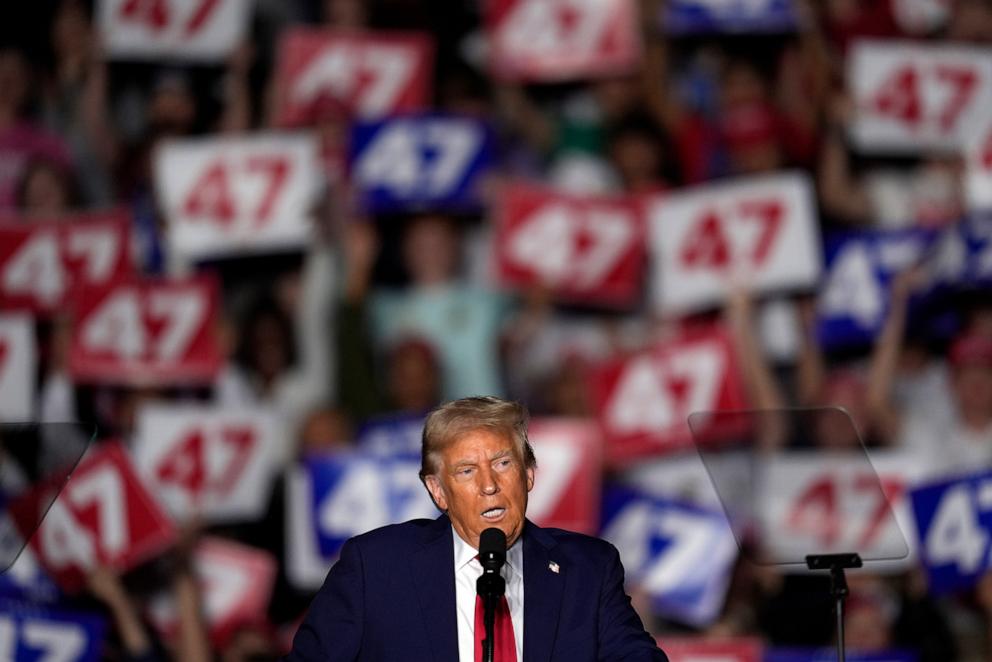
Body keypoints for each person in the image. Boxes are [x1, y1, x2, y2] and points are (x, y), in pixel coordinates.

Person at [285, 396, 667, 661]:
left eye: (502, 464)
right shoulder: (376, 567)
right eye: (466, 471)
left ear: (529, 474)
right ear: (438, 490)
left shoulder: (589, 569)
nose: (489, 485)